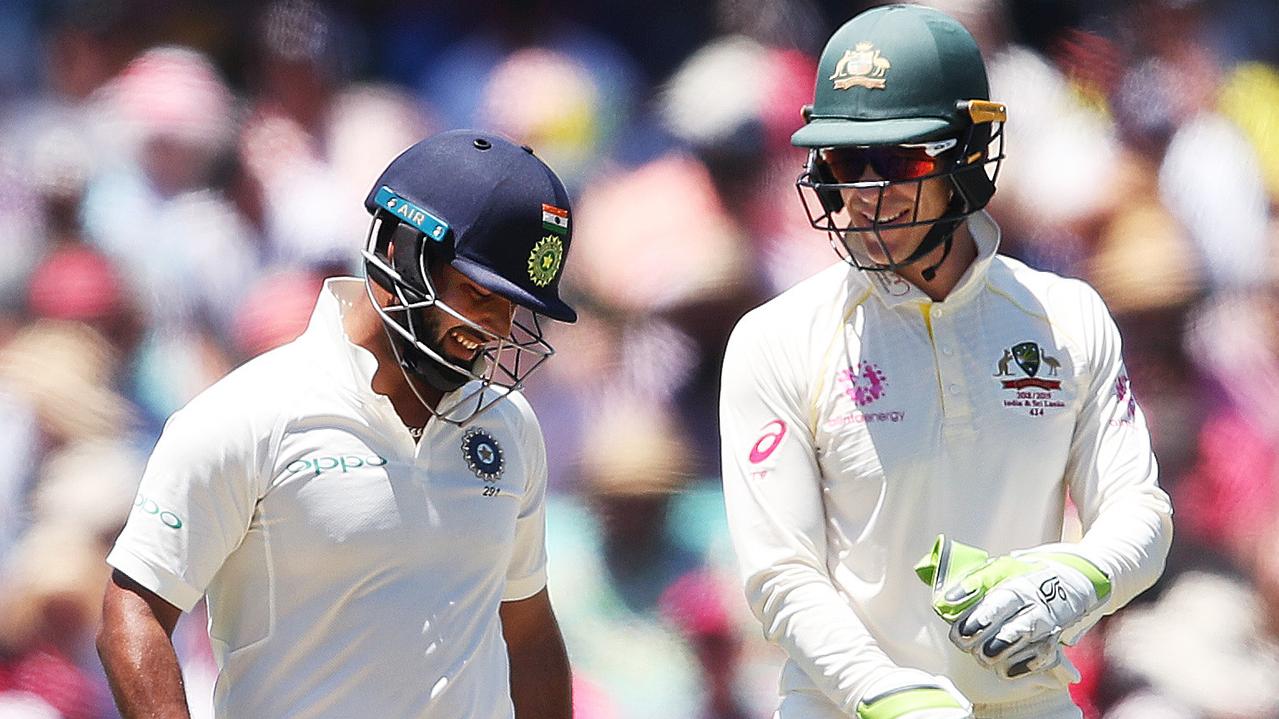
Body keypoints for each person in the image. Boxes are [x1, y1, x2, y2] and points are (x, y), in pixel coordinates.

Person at [718, 6, 1172, 719]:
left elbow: (1138, 512)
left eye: (898, 160)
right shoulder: (775, 338)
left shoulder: (1063, 316)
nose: (867, 192)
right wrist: (895, 696)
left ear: (967, 153)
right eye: (844, 161)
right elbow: (781, 575)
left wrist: (1072, 579)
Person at [96, 129, 576, 719]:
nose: (500, 329)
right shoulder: (247, 415)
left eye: (515, 305)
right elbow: (133, 612)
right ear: (405, 253)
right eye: (480, 296)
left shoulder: (509, 427)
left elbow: (527, 634)